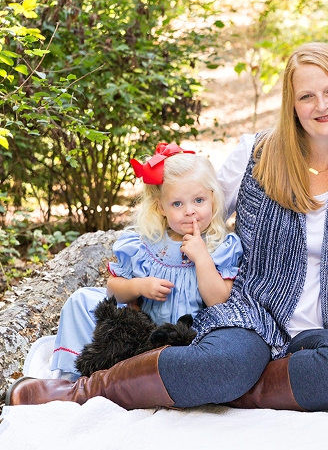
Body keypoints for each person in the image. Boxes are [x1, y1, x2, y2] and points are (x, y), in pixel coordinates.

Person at [7, 42, 328, 412]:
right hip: (249, 314)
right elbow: (195, 208)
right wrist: (146, 259)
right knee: (225, 362)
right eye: (307, 96)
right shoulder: (256, 155)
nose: (321, 105)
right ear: (291, 105)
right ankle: (83, 390)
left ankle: (227, 385)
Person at [50, 143, 242, 379]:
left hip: (189, 338)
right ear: (161, 207)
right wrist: (139, 286)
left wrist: (202, 257)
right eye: (177, 204)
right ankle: (73, 377)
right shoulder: (146, 244)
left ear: (213, 198)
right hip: (141, 333)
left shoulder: (220, 246)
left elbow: (220, 301)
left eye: (199, 200)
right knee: (81, 300)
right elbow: (114, 290)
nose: (190, 211)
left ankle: (137, 378)